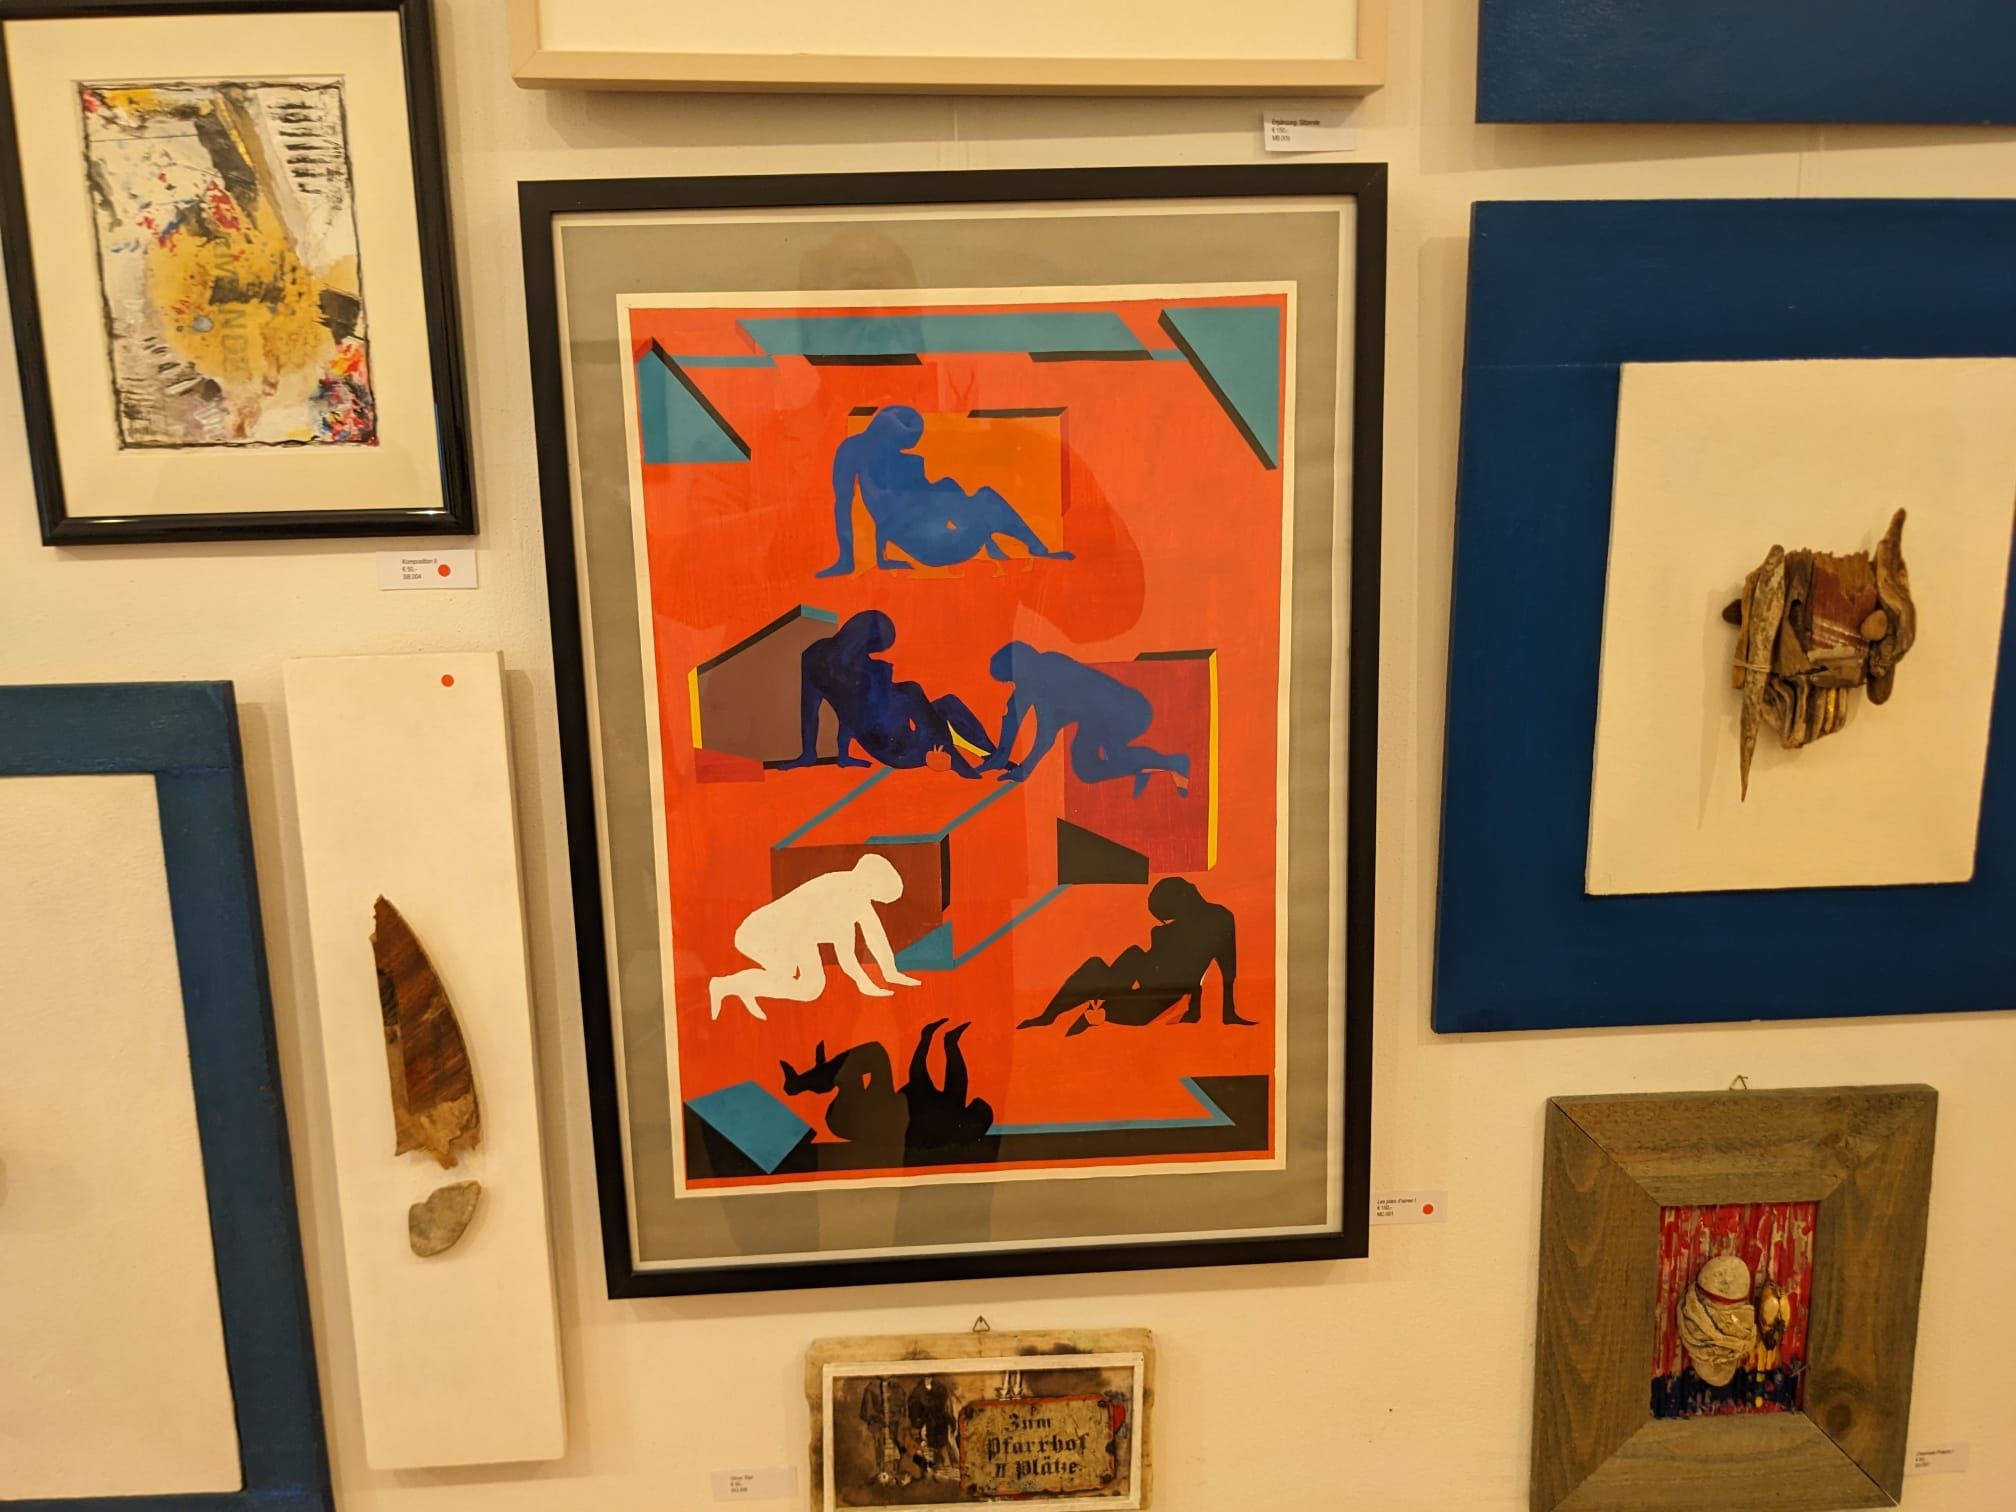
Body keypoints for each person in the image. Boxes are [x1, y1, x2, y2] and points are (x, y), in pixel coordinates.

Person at [817, 406, 1074, 575]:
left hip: (949, 539)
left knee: (965, 490)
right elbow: (846, 504)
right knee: (958, 493)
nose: (905, 448)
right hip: (932, 549)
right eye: (902, 441)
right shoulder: (855, 453)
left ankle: (1030, 546)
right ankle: (994, 538)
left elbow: (937, 506)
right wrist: (854, 559)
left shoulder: (903, 463)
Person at [780, 611, 998, 775]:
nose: (872, 652)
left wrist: (816, 754)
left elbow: (813, 710)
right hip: (905, 750)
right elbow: (859, 714)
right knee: (925, 695)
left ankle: (990, 755)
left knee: (938, 702)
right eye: (875, 646)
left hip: (887, 747)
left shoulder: (814, 655)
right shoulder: (869, 672)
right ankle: (987, 756)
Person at [1020, 878, 1248, 1034]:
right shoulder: (1189, 925)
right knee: (1116, 961)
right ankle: (1052, 1015)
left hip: (1153, 999)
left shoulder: (1218, 919)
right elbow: (1199, 975)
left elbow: (1224, 969)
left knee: (1125, 967)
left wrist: (1221, 1011)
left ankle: (1078, 1013)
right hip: (1146, 991)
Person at [981, 641, 1190, 796]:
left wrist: (1025, 767)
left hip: (1129, 712)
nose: (1015, 684)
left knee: (1104, 761)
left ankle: (1169, 762)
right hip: (1101, 716)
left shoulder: (1047, 678)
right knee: (1087, 767)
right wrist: (1002, 752)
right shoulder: (1038, 671)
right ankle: (1146, 764)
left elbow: (1045, 735)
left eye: (1012, 679)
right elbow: (1013, 712)